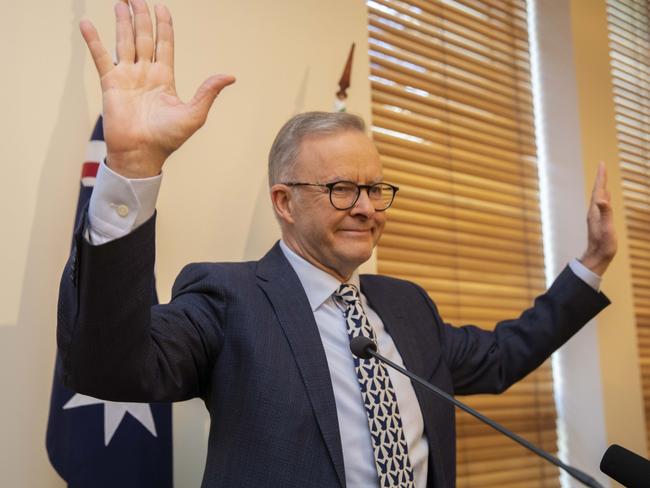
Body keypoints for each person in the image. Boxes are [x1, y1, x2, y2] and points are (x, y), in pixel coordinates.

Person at [58, 1, 617, 487]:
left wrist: (591, 265)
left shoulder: (407, 306)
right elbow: (110, 370)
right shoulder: (227, 300)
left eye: (374, 188)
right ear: (284, 202)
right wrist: (133, 168)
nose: (368, 208)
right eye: (342, 189)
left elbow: (501, 357)